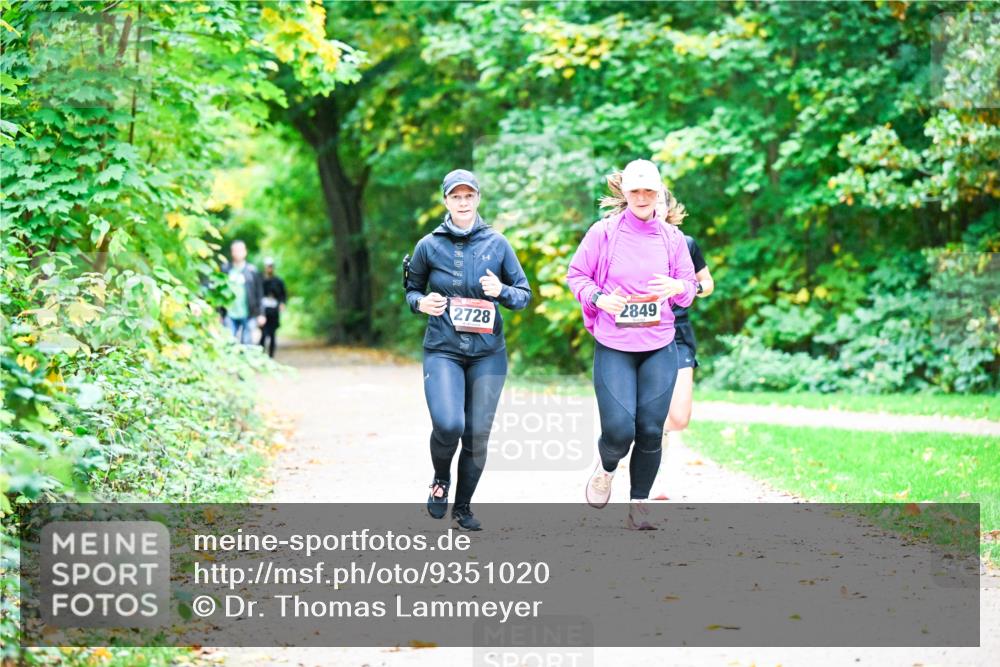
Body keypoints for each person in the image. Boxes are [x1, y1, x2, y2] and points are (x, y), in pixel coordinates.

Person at [567, 159, 697, 530]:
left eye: (649, 191)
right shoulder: (604, 233)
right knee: (620, 430)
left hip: (658, 344)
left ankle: (638, 505)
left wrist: (677, 288)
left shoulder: (672, 238)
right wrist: (597, 297)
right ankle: (606, 467)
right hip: (615, 344)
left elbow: (689, 289)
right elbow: (576, 275)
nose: (642, 197)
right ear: (624, 193)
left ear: (659, 195)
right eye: (635, 191)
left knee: (652, 430)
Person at [404, 169, 531, 531]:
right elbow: (411, 289)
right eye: (456, 196)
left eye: (468, 196)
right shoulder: (428, 245)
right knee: (449, 424)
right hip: (443, 348)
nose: (463, 202)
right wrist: (420, 303)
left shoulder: (498, 243)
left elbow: (523, 295)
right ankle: (440, 478)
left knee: (476, 432)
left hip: (488, 353)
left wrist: (501, 291)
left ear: (477, 199)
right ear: (446, 201)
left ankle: (463, 507)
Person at [221, 240, 264, 344]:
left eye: (240, 250)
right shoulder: (225, 269)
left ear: (245, 252)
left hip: (249, 314)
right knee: (229, 344)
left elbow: (259, 293)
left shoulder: (252, 271)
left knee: (247, 345)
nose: (238, 253)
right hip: (229, 313)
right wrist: (219, 313)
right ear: (232, 252)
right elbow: (219, 291)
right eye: (235, 250)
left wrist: (261, 314)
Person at [260, 257, 287, 358]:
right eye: (267, 267)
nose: (269, 269)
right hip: (263, 311)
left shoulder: (278, 281)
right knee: (263, 334)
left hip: (274, 311)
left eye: (271, 267)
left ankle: (271, 356)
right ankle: (261, 356)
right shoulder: (261, 280)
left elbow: (283, 295)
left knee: (272, 334)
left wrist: (282, 303)